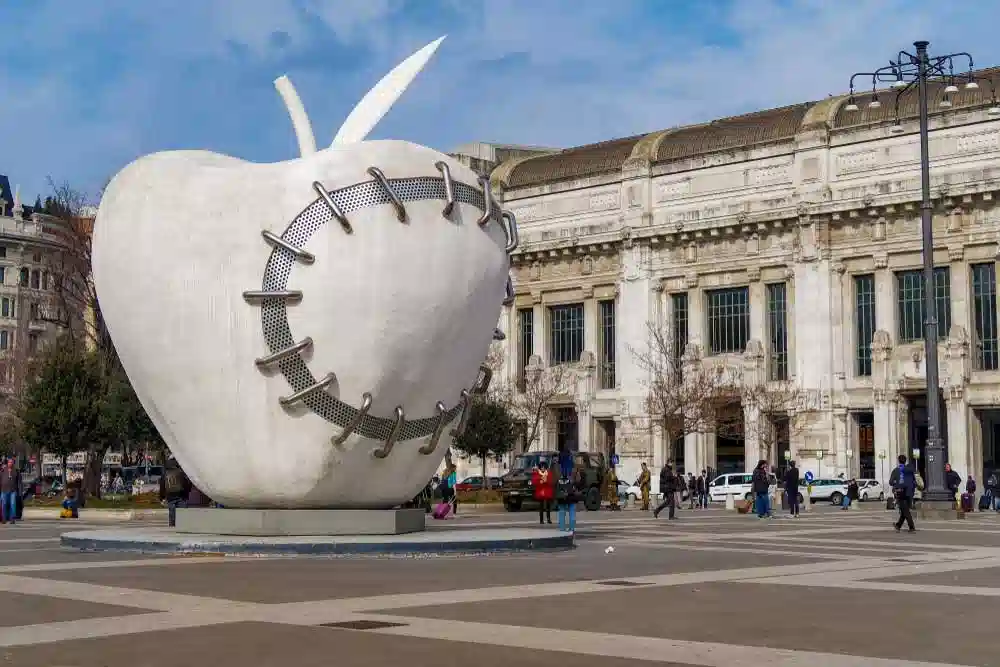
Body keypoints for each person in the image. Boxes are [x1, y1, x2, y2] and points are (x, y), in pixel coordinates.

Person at [159, 457, 191, 528]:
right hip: (181, 495)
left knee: (172, 513)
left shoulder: (165, 472)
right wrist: (187, 494)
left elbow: (162, 485)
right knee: (182, 513)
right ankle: (183, 527)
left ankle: (172, 527)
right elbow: (187, 484)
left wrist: (161, 497)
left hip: (170, 496)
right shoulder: (181, 471)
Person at [889, 454, 917, 532]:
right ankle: (898, 525)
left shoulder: (896, 470)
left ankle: (912, 527)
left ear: (898, 461)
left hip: (901, 492)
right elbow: (914, 481)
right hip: (910, 492)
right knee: (905, 510)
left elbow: (891, 482)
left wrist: (896, 483)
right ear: (905, 461)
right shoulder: (909, 470)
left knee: (905, 511)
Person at [556, 466, 580, 532]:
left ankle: (562, 529)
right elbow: (576, 487)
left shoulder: (558, 480)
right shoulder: (572, 478)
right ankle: (571, 529)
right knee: (572, 514)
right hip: (571, 498)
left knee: (562, 514)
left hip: (562, 499)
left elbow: (556, 490)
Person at [532, 460, 555, 525]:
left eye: (544, 467)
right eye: (542, 467)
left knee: (548, 507)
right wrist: (540, 482)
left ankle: (548, 519)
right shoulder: (537, 473)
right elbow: (534, 481)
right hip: (540, 492)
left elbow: (551, 481)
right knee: (541, 507)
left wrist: (546, 481)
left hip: (547, 491)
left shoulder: (549, 473)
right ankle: (541, 520)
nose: (543, 468)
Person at [0, 459, 20, 525]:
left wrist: (18, 490)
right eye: (9, 462)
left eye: (11, 462)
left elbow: (18, 481)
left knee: (13, 504)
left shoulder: (16, 471)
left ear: (13, 463)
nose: (10, 463)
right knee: (4, 504)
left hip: (13, 491)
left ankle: (12, 519)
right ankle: (4, 519)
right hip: (4, 490)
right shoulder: (3, 470)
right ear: (7, 463)